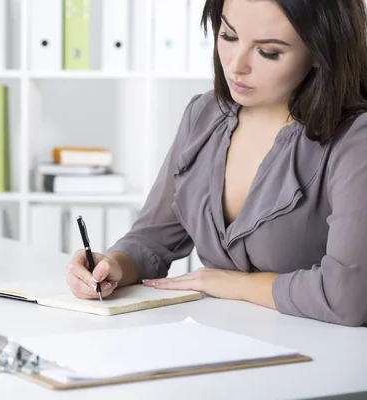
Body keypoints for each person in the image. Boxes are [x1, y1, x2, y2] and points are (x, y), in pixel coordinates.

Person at [65, 0, 367, 327]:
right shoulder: (204, 115)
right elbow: (151, 241)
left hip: (328, 359)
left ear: (322, 53)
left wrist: (232, 284)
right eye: (228, 35)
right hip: (223, 342)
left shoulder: (355, 140)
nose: (236, 65)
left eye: (268, 52)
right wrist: (113, 267)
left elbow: (347, 297)